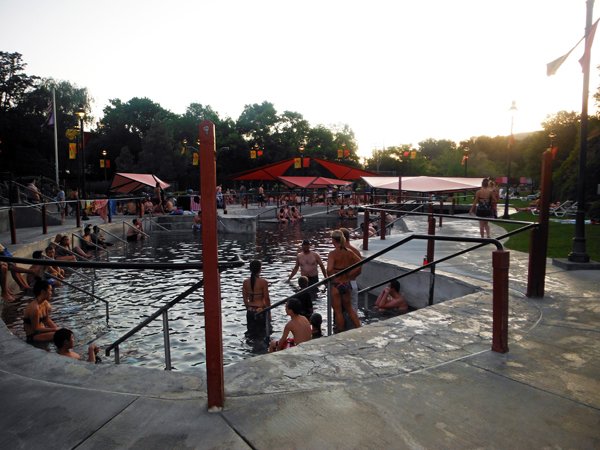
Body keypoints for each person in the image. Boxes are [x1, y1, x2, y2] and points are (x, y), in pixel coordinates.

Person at [327, 230, 361, 331]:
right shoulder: (349, 252)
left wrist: (330, 278)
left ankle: (340, 333)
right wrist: (350, 273)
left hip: (336, 284)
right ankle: (359, 328)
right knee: (349, 308)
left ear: (333, 240)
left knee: (338, 311)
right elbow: (360, 261)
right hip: (346, 283)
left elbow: (329, 269)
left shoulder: (332, 253)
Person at [242, 260, 271, 331]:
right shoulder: (263, 282)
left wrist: (249, 309)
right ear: (260, 269)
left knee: (251, 333)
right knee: (262, 333)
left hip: (250, 310)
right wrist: (269, 314)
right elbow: (267, 299)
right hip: (260, 310)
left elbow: (245, 300)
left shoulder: (245, 282)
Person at [340, 228, 363, 313]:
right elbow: (359, 271)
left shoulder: (340, 251)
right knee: (353, 308)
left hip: (341, 282)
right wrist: (351, 276)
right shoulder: (356, 251)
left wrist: (346, 276)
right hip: (353, 282)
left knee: (340, 310)